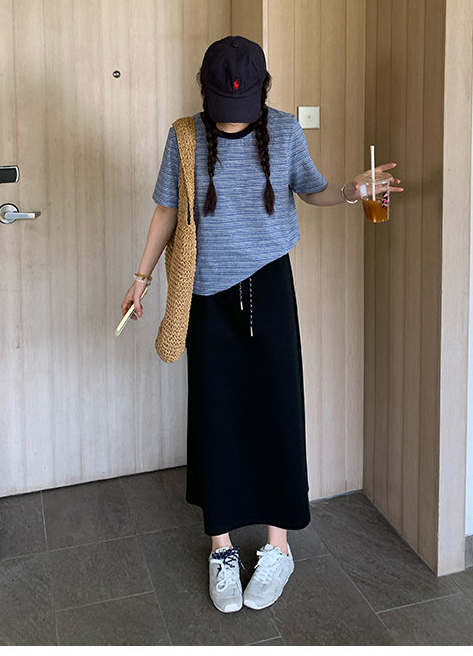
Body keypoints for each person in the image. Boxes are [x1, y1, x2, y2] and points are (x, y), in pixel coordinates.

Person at [120, 36, 403, 613]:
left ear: (263, 92)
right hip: (206, 296)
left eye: (242, 108)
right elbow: (167, 209)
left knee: (277, 410)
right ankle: (221, 547)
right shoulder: (184, 137)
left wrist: (354, 191)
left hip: (270, 290)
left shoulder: (285, 131)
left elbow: (314, 191)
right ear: (204, 91)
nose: (232, 120)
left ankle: (278, 546)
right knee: (216, 419)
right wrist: (141, 277)